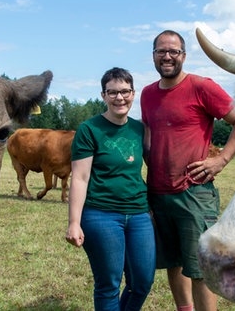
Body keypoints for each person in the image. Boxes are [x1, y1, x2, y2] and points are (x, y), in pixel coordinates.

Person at [141, 30, 235, 311]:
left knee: (201, 269)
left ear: (183, 56)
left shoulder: (202, 86)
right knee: (173, 261)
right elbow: (147, 135)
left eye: (173, 51)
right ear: (153, 55)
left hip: (193, 193)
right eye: (161, 51)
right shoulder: (147, 94)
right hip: (158, 192)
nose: (167, 56)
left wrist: (222, 159)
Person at [66, 67, 155, 311]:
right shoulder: (89, 129)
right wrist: (74, 222)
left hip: (138, 213)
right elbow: (80, 178)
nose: (119, 98)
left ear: (133, 93)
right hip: (101, 214)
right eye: (112, 92)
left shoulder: (139, 129)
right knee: (108, 285)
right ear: (103, 96)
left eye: (125, 91)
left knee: (142, 281)